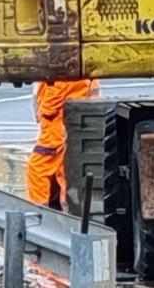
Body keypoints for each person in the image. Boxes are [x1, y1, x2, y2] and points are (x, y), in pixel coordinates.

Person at [25, 78, 100, 211]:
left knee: (39, 167)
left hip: (56, 128)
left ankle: (39, 210)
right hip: (75, 123)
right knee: (65, 166)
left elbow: (50, 105)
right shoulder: (85, 76)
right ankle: (63, 208)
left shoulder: (59, 78)